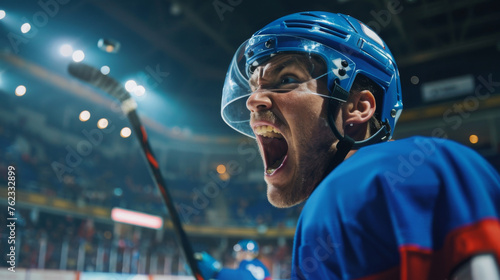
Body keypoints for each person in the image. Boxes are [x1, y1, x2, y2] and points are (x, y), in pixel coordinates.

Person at [219, 11, 500, 280]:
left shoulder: (348, 190)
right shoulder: (447, 163)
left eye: (287, 79)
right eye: (255, 86)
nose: (253, 100)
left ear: (358, 107)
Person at [196, 239, 271, 280]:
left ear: (246, 253)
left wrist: (216, 268)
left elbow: (242, 277)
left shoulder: (248, 264)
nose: (236, 254)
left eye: (239, 251)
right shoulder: (259, 265)